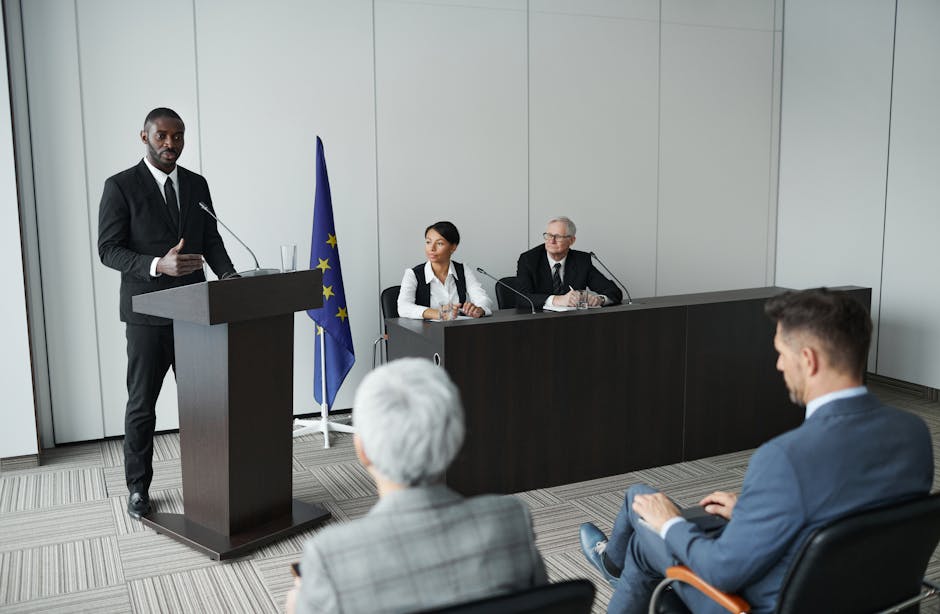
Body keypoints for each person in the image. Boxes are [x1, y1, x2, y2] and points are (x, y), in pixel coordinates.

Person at [579, 288, 933, 614]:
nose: (778, 365)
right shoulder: (914, 432)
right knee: (651, 519)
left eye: (780, 353)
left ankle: (616, 567)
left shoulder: (785, 457)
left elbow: (722, 571)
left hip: (762, 603)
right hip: (871, 594)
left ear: (808, 360)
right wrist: (755, 512)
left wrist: (669, 523)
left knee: (646, 528)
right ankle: (618, 567)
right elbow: (854, 508)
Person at [287, 358, 547, 614]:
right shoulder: (511, 519)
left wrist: (299, 603)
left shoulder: (330, 557)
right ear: (456, 440)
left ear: (362, 450)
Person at [98, 107, 236, 520]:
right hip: (147, 315)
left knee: (203, 402)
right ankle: (138, 488)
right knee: (143, 404)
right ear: (144, 137)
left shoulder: (196, 184)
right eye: (162, 136)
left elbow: (210, 238)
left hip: (195, 311)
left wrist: (228, 274)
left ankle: (213, 483)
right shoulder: (120, 186)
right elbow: (109, 249)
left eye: (177, 136)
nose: (170, 144)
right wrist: (158, 264)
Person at [515, 216, 622, 309]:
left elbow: (614, 292)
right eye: (548, 235)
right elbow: (522, 297)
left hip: (572, 322)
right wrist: (558, 300)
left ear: (571, 240)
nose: (551, 241)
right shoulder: (529, 259)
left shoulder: (581, 260)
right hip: (538, 322)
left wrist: (600, 300)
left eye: (558, 237)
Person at [397, 221, 494, 319]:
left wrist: (478, 309)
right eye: (428, 242)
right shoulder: (413, 274)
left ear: (453, 247)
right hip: (425, 331)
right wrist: (438, 313)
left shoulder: (463, 270)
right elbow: (403, 307)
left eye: (439, 243)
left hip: (457, 330)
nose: (432, 248)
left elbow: (483, 298)